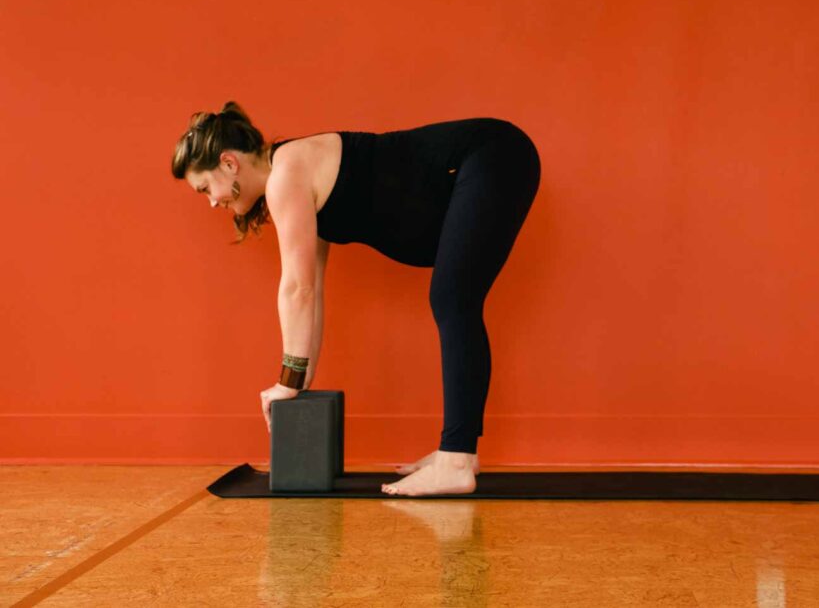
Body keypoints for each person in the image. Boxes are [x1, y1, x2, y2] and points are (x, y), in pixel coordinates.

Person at [171, 102, 541, 497]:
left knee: (453, 300)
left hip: (491, 156)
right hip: (486, 162)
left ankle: (457, 459)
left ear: (229, 163)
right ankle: (457, 453)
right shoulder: (293, 173)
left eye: (206, 188)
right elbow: (310, 287)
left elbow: (298, 289)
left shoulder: (286, 176)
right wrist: (298, 383)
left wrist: (287, 380)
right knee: (453, 297)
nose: (212, 202)